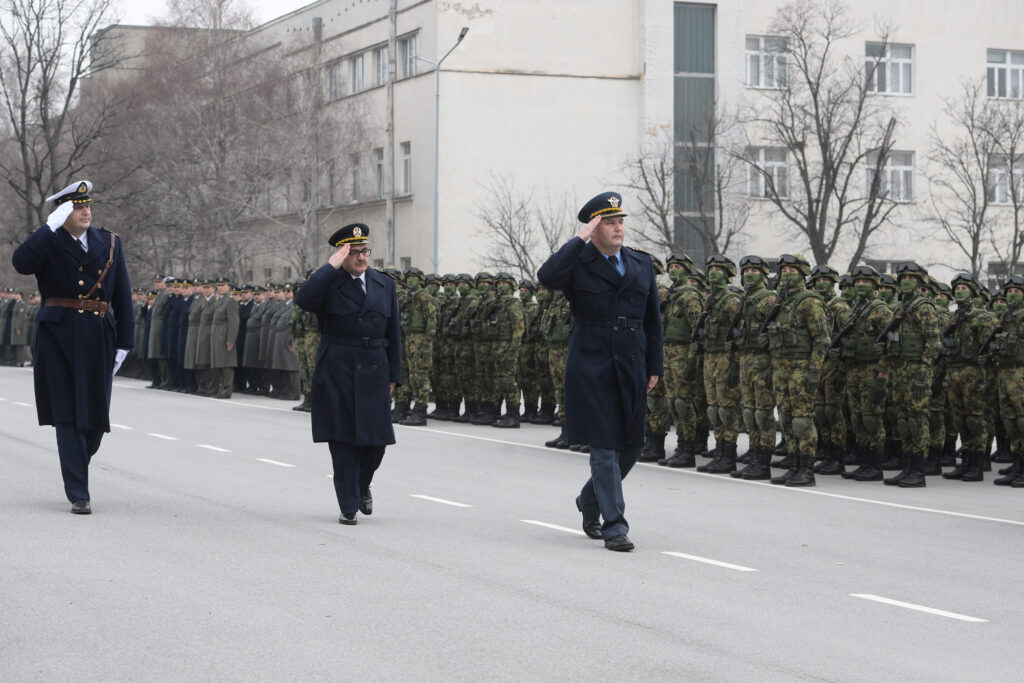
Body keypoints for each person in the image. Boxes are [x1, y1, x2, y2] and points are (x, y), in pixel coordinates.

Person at [538, 191, 663, 552]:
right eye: (609, 222)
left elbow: (653, 320)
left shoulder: (640, 264)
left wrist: (654, 365)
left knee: (633, 446)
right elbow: (547, 275)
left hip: (632, 363)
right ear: (593, 228)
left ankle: (589, 501)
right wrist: (578, 240)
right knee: (605, 447)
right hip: (592, 364)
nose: (618, 227)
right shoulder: (578, 263)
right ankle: (614, 525)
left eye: (620, 221)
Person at [11, 180, 133, 514]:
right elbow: (20, 263)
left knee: (94, 419)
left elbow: (122, 292)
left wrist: (125, 341)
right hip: (58, 336)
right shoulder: (48, 241)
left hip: (98, 337)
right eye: (77, 207)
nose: (85, 211)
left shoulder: (109, 242)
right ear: (63, 211)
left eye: (87, 206)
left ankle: (77, 462)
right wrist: (47, 226)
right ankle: (79, 492)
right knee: (67, 415)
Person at [294, 223, 401, 525]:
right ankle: (348, 505)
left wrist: (395, 374)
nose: (361, 258)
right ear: (342, 256)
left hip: (375, 369)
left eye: (364, 251)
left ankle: (362, 484)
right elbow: (304, 301)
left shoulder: (384, 284)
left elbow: (395, 332)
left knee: (375, 443)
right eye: (353, 253)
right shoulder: (329, 283)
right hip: (338, 369)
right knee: (342, 443)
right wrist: (330, 267)